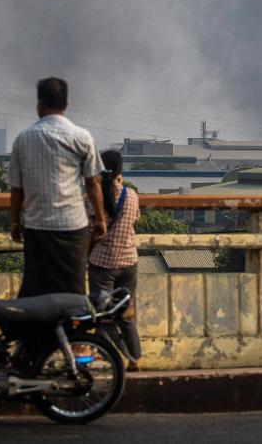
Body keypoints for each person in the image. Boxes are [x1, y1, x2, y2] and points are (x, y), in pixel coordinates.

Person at [9, 77, 107, 297]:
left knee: (36, 290)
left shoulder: (23, 139)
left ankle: (39, 331)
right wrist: (100, 219)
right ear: (66, 104)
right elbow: (93, 183)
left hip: (37, 227)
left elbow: (17, 189)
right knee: (73, 289)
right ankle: (73, 330)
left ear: (40, 104)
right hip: (73, 227)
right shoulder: (82, 137)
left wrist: (15, 221)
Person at [88, 150, 143, 371]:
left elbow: (90, 226)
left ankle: (102, 354)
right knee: (126, 313)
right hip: (129, 261)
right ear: (120, 171)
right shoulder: (132, 195)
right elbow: (135, 219)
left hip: (103, 263)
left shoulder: (95, 196)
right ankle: (134, 359)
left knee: (102, 313)